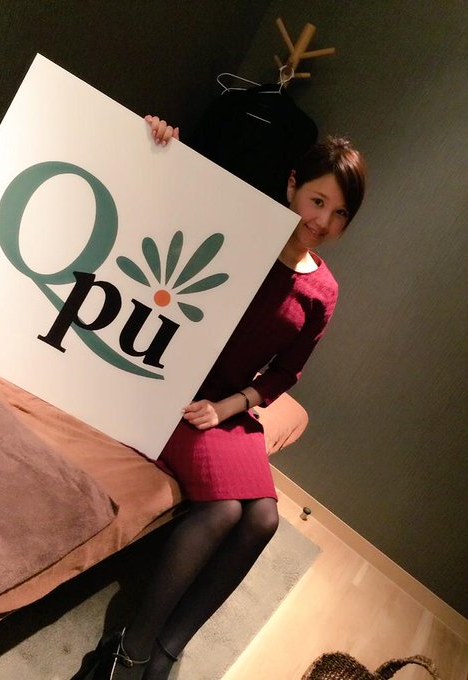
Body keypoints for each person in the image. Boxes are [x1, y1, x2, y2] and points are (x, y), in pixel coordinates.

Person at [72, 114, 367, 680]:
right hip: (173, 383)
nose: (323, 221)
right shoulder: (239, 231)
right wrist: (161, 147)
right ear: (292, 185)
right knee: (224, 510)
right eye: (317, 201)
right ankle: (128, 651)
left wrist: (230, 407)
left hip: (226, 405)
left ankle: (165, 651)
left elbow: (287, 372)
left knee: (264, 520)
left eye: (339, 214)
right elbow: (162, 221)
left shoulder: (323, 291)